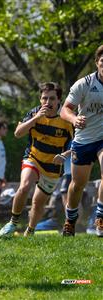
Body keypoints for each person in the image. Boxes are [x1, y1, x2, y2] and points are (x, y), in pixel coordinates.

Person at [0, 82, 73, 236]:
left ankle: (30, 230)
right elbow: (18, 133)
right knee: (24, 186)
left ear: (59, 100)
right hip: (33, 158)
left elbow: (79, 143)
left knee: (38, 203)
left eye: (52, 99)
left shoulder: (66, 118)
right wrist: (35, 119)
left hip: (53, 166)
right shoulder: (34, 113)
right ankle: (13, 223)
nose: (47, 102)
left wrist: (64, 156)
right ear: (40, 99)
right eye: (44, 98)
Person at [60, 45, 103, 237]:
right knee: (77, 185)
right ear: (97, 63)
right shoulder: (84, 84)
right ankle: (70, 220)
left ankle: (100, 218)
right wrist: (74, 119)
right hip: (84, 140)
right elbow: (65, 110)